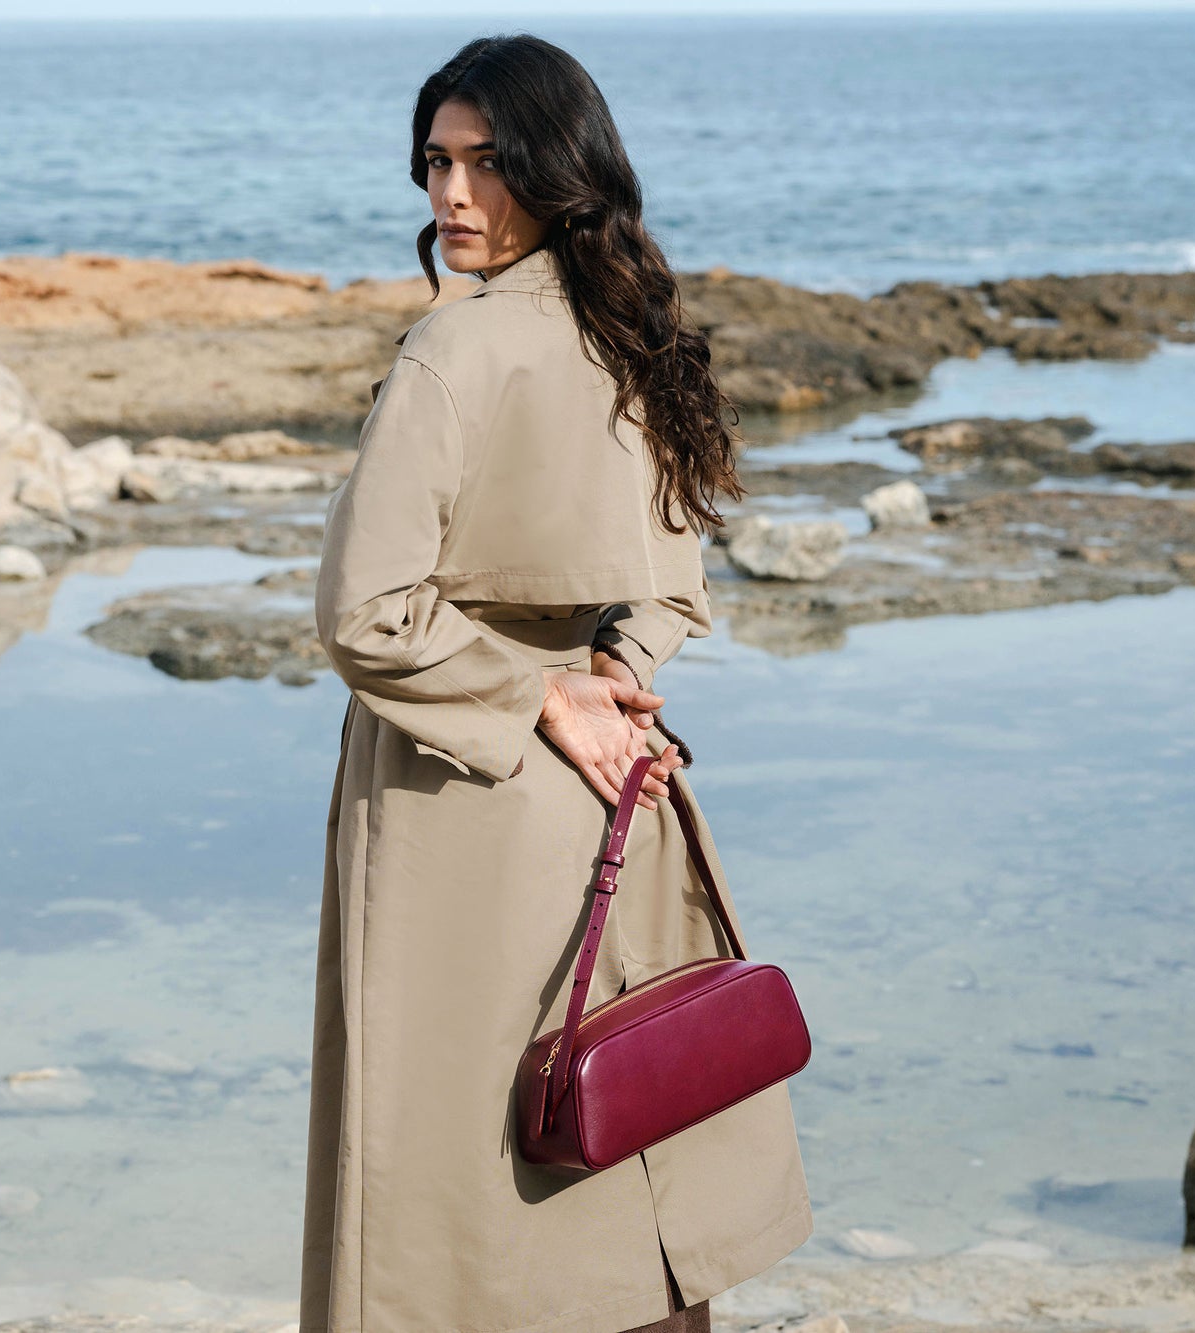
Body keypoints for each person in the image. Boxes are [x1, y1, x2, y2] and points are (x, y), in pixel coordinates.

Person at [301, 33, 813, 1333]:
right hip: (619, 781)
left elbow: (364, 611)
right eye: (436, 162)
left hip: (461, 793)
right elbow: (675, 572)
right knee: (628, 1122)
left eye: (488, 164)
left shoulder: (450, 354)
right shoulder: (630, 331)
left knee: (458, 1183)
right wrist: (608, 678)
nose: (452, 198)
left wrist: (536, 696)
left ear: (555, 169)